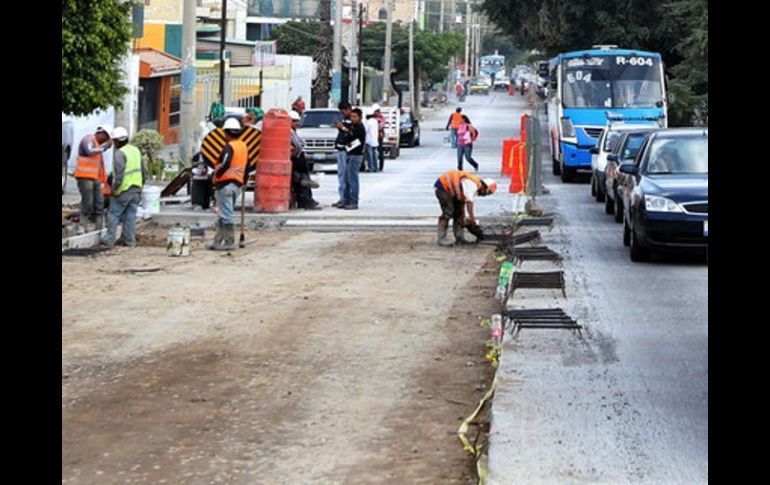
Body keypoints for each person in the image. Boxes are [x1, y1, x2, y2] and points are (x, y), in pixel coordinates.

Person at [101, 127, 147, 247]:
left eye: (114, 141)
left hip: (124, 189)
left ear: (117, 141)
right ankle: (130, 241)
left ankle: (110, 239)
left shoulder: (120, 154)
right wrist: (141, 185)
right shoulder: (135, 150)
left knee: (113, 214)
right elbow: (143, 170)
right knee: (130, 216)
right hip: (136, 188)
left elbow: (119, 175)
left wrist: (114, 189)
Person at [209, 118, 248, 250]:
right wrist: (244, 180)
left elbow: (225, 163)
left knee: (226, 214)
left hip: (225, 183)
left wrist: (217, 174)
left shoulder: (229, 147)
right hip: (237, 184)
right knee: (223, 213)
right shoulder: (243, 146)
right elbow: (247, 166)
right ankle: (218, 241)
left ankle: (229, 242)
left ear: (227, 133)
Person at [434, 170, 497, 246]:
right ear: (484, 187)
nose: (484, 195)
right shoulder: (472, 185)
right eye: (486, 193)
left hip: (452, 190)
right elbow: (469, 203)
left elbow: (464, 203)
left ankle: (459, 238)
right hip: (443, 187)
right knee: (448, 212)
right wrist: (472, 221)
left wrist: (466, 220)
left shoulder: (471, 187)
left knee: (459, 213)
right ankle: (441, 239)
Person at [74, 125, 113, 233]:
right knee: (88, 202)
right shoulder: (88, 139)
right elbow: (90, 151)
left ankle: (99, 227)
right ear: (101, 133)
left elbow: (99, 165)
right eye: (106, 137)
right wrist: (105, 146)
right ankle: (82, 226)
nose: (105, 140)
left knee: (99, 202)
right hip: (84, 176)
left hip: (95, 178)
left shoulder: (98, 145)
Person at [289, 110, 321, 210]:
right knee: (301, 181)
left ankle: (308, 200)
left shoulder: (294, 131)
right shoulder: (289, 132)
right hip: (294, 160)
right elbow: (299, 145)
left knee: (304, 180)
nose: (297, 123)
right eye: (294, 121)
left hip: (298, 160)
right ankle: (305, 201)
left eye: (297, 121)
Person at [336, 108, 366, 210]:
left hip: (356, 156)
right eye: (351, 117)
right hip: (349, 154)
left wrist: (343, 129)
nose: (352, 119)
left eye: (355, 117)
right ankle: (346, 200)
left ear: (360, 118)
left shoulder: (360, 128)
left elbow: (351, 136)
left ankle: (353, 201)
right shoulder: (353, 126)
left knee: (353, 179)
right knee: (347, 179)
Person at [332, 101, 353, 208]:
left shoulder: (352, 119)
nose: (343, 113)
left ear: (348, 109)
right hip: (340, 149)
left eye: (344, 111)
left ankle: (345, 198)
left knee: (345, 176)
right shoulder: (345, 119)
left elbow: (351, 133)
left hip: (346, 150)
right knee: (341, 175)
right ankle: (342, 198)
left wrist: (342, 127)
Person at [364, 108, 380, 173]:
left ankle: (371, 168)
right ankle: (376, 168)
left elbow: (365, 130)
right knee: (374, 155)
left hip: (369, 141)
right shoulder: (375, 121)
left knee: (370, 156)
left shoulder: (368, 122)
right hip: (375, 140)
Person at [373, 104, 386, 171]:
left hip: (379, 137)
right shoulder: (372, 118)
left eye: (378, 111)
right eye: (376, 111)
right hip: (373, 136)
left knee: (380, 151)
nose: (377, 112)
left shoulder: (381, 118)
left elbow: (381, 126)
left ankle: (381, 166)